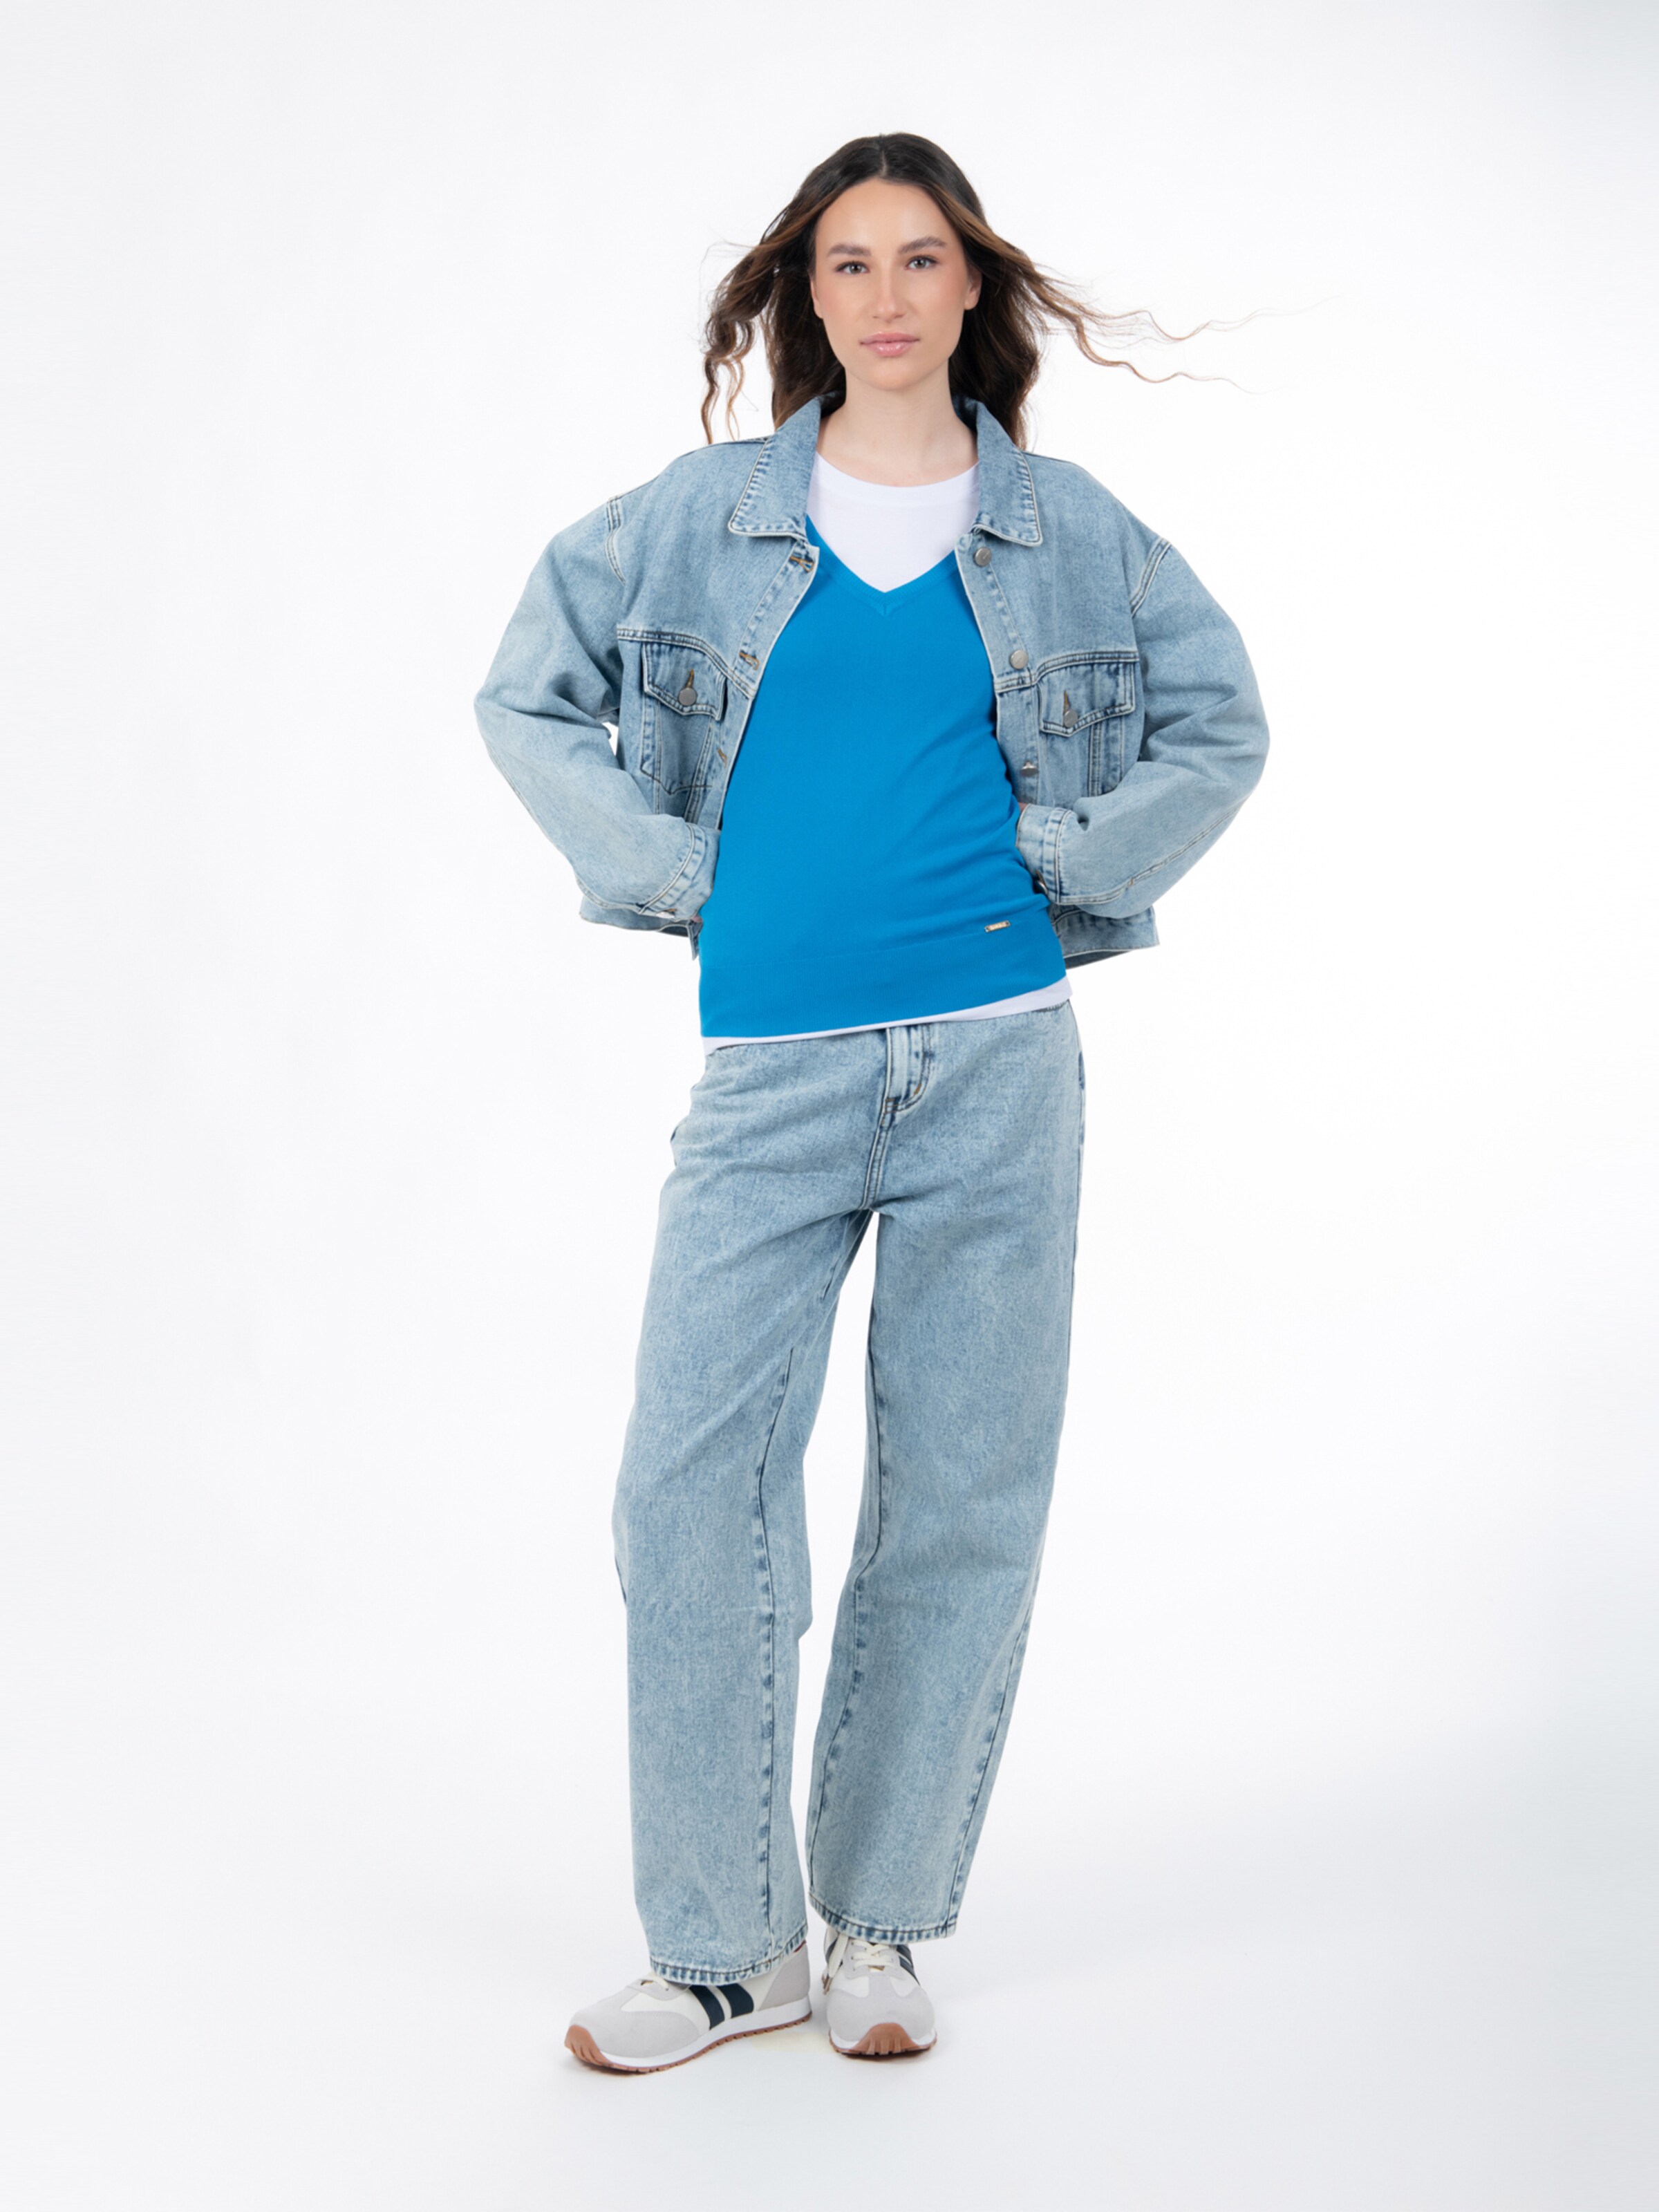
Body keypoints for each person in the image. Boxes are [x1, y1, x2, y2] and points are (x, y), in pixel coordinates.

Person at [475, 132, 1268, 2072]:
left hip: (1000, 1058)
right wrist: (678, 875)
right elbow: (527, 694)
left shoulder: (1068, 527)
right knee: (688, 1488)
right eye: (851, 262)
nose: (888, 295)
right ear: (805, 292)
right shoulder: (698, 517)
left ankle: (884, 1926)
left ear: (971, 286)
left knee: (961, 1495)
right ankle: (723, 1948)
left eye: (922, 259)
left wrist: (1069, 857)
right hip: (772, 1069)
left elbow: (1222, 723)